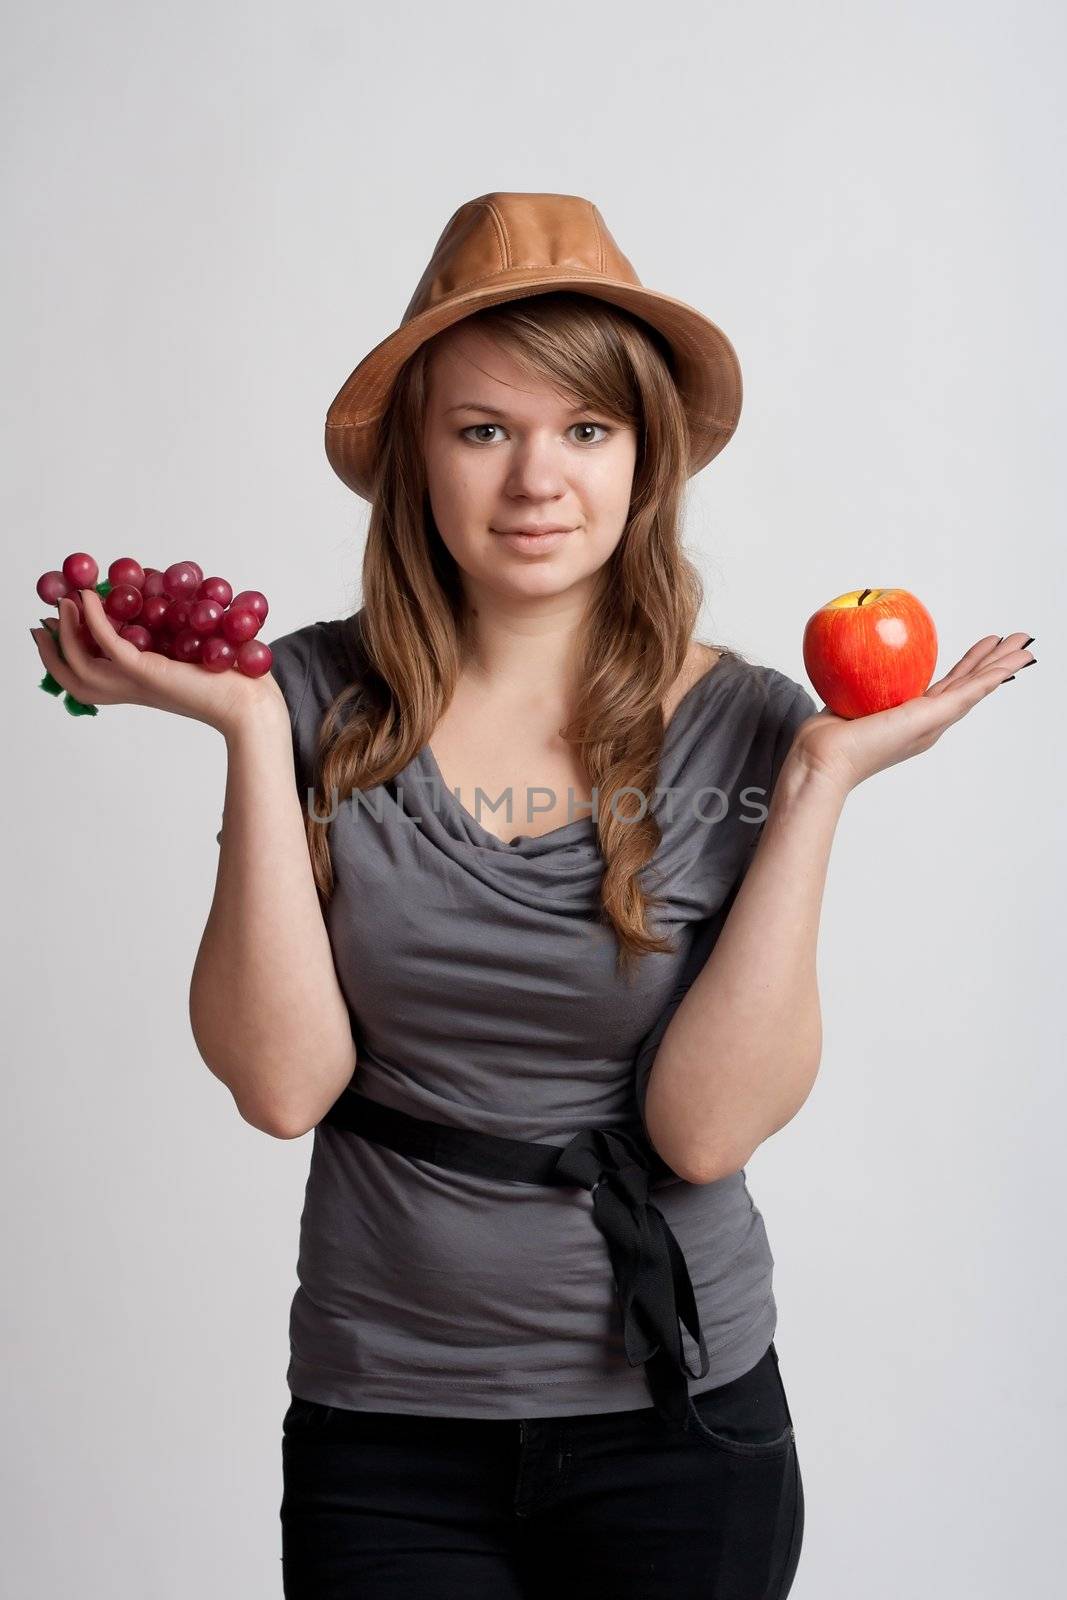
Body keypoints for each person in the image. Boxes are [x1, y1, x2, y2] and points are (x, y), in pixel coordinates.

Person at [30, 192, 1036, 1599]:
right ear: (418, 462)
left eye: (586, 431)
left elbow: (703, 1128)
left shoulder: (751, 728)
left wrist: (817, 783)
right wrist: (255, 736)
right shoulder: (308, 701)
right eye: (483, 430)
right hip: (384, 1430)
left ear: (645, 458)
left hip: (681, 1429)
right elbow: (281, 1086)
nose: (536, 483)